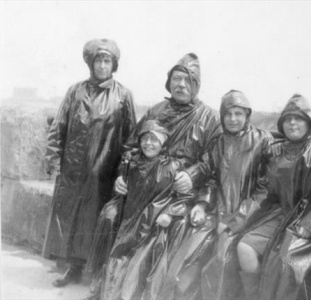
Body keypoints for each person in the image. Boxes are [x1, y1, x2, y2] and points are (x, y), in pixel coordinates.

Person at [114, 53, 222, 300]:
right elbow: (131, 148)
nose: (181, 85)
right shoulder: (156, 111)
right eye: (176, 78)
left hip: (182, 195)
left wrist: (193, 176)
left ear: (197, 84)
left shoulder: (210, 118)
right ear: (169, 81)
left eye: (188, 80)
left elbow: (214, 163)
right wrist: (122, 175)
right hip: (146, 191)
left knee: (175, 227)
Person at [43, 38, 137, 287]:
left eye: (107, 60)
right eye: (98, 60)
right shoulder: (75, 90)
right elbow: (59, 125)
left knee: (98, 218)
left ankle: (96, 269)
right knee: (71, 218)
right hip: (74, 168)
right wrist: (53, 156)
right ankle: (72, 267)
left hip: (104, 170)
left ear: (113, 64)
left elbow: (131, 137)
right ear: (91, 63)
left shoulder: (123, 95)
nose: (102, 65)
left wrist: (124, 171)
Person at [237, 94, 311, 300]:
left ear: (309, 121)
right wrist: (238, 219)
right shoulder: (275, 150)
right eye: (287, 119)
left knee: (287, 261)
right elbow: (264, 191)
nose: (292, 123)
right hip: (280, 214)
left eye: (298, 118)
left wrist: (309, 224)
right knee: (245, 247)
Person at [95, 120, 191, 300]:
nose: (148, 143)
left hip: (154, 224)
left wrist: (169, 213)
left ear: (163, 143)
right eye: (144, 139)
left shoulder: (172, 166)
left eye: (154, 139)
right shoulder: (131, 163)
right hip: (130, 220)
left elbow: (184, 198)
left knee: (139, 263)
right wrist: (119, 184)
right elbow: (121, 190)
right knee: (118, 258)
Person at [199, 90, 274, 300]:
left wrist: (235, 221)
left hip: (250, 217)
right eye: (228, 114)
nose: (233, 119)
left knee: (222, 258)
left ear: (247, 115)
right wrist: (202, 205)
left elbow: (266, 188)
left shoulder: (263, 140)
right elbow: (210, 178)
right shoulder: (218, 142)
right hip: (218, 213)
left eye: (238, 114)